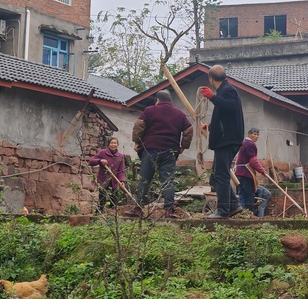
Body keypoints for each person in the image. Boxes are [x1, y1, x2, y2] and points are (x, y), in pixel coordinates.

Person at [129, 90, 193, 218]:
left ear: (157, 100)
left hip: (150, 150)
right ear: (170, 101)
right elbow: (189, 130)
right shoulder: (179, 114)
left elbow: (139, 125)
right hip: (170, 151)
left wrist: (137, 142)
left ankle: (138, 209)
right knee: (168, 181)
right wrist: (183, 147)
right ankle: (169, 210)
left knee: (145, 180)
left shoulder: (149, 110)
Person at [199, 64, 245, 218]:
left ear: (210, 79)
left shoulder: (227, 90)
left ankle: (223, 211)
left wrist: (212, 97)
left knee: (221, 176)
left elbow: (230, 107)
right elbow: (227, 116)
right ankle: (233, 206)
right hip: (227, 139)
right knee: (216, 177)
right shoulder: (224, 91)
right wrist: (211, 126)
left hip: (227, 140)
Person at [234, 127, 272, 218]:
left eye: (258, 134)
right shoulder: (250, 144)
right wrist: (262, 170)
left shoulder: (243, 143)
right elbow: (253, 161)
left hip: (239, 174)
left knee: (241, 195)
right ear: (249, 134)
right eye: (254, 134)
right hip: (246, 174)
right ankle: (250, 216)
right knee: (249, 196)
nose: (256, 136)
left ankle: (241, 216)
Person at [89, 136, 127, 211]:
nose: (113, 145)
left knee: (114, 200)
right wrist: (100, 160)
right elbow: (91, 161)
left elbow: (121, 170)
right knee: (102, 200)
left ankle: (112, 216)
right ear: (108, 144)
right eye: (112, 143)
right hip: (103, 179)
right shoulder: (103, 152)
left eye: (115, 143)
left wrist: (122, 181)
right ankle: (98, 215)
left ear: (117, 144)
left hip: (114, 181)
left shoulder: (120, 156)